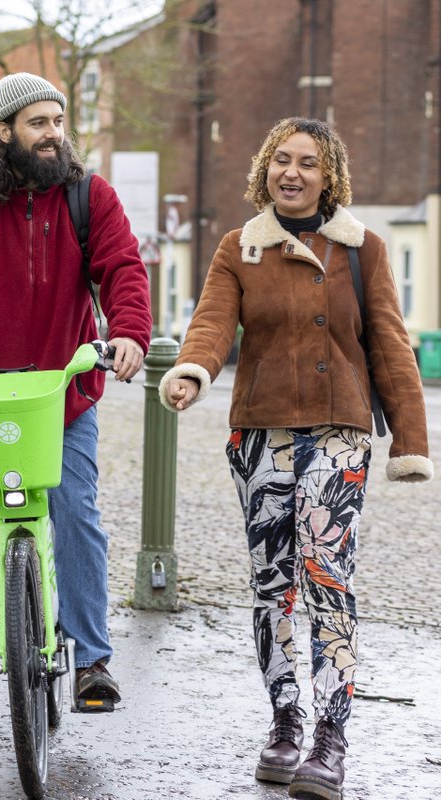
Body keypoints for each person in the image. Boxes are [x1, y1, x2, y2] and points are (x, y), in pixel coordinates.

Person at [159, 117, 432, 800]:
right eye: (282, 160)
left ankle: (331, 737)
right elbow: (213, 321)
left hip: (340, 430)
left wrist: (412, 440)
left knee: (326, 573)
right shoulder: (238, 249)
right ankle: (285, 722)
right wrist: (193, 369)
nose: (293, 172)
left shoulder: (362, 248)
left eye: (308, 163)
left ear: (328, 174)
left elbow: (392, 347)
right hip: (261, 434)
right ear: (264, 169)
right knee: (272, 581)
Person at [0, 72, 152, 744]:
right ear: (5, 130)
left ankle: (92, 662)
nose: (52, 134)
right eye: (38, 122)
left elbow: (122, 267)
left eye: (59, 121)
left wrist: (129, 330)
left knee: (76, 512)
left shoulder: (88, 197)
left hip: (62, 393)